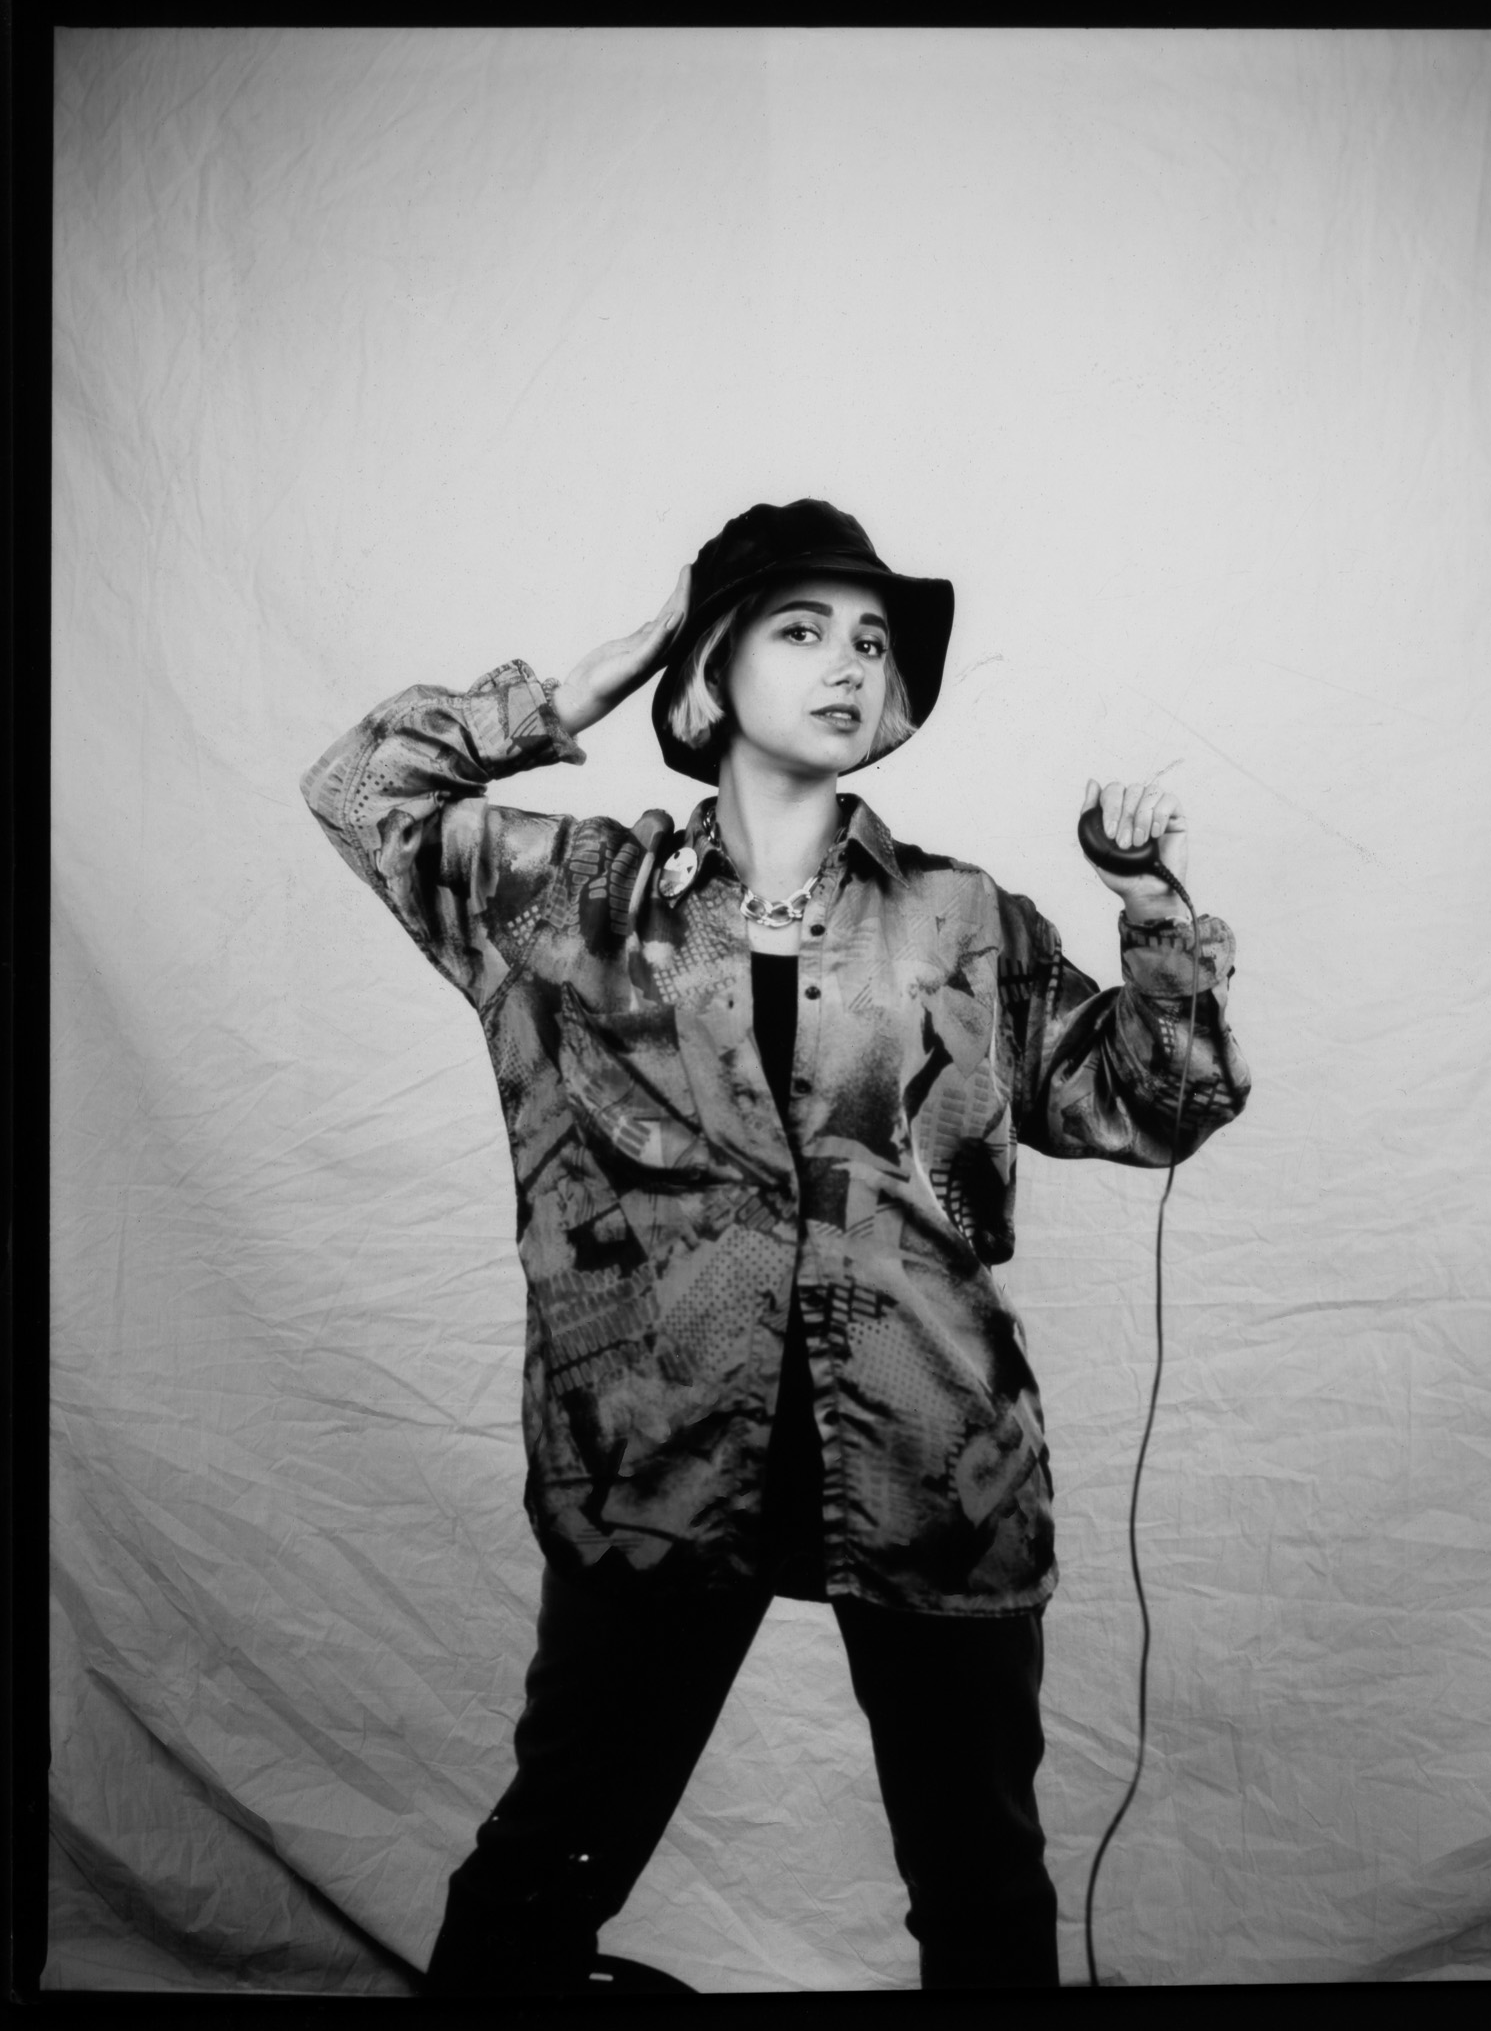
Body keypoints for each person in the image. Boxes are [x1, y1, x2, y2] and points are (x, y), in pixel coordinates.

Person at [299, 498, 1251, 1993]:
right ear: (710, 669)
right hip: (652, 1462)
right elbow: (363, 788)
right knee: (549, 1862)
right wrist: (585, 681)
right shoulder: (574, 901)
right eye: (800, 628)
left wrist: (1151, 914)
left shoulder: (961, 918)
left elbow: (1153, 1104)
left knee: (982, 1887)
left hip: (934, 1466)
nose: (848, 662)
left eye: (871, 640)